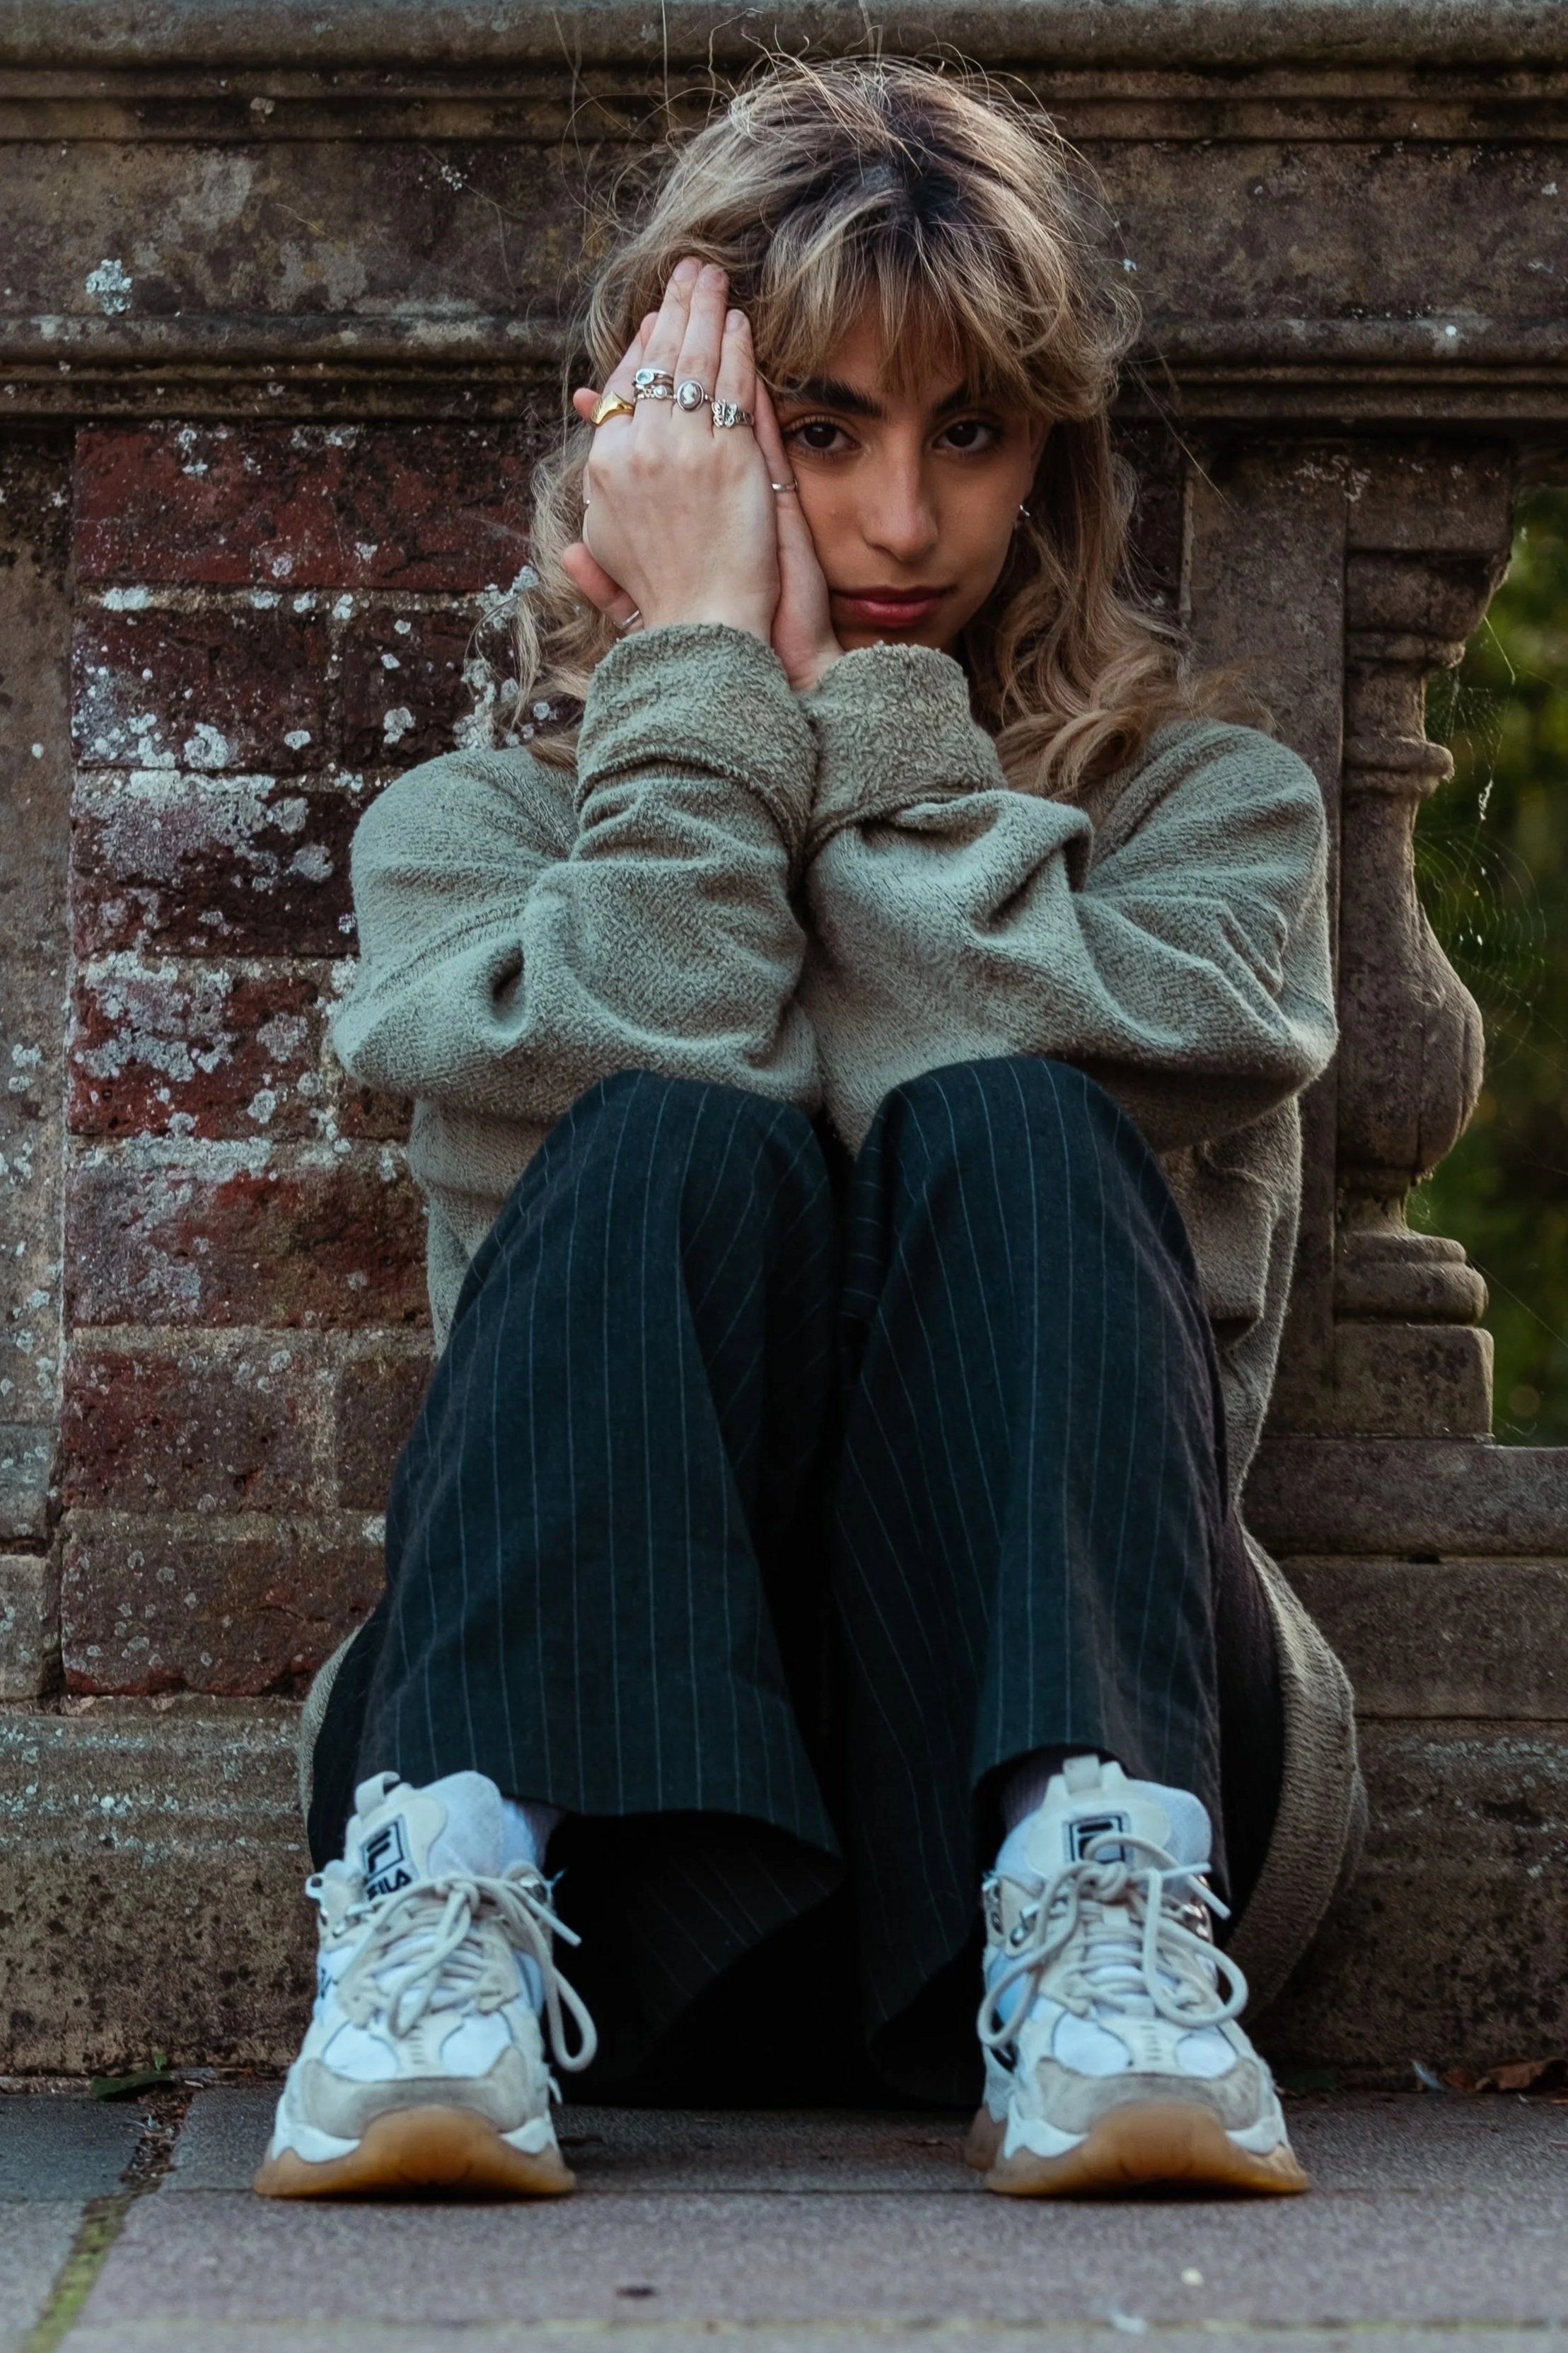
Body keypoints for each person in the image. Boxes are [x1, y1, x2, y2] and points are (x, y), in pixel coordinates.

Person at [253, 56, 1363, 2204]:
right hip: (615, 1865)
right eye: (820, 432)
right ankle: (432, 1935)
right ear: (666, 446)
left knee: (1019, 1123)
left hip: (1070, 1833)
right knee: (669, 1137)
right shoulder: (474, 843)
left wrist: (831, 720)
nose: (899, 523)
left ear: (1053, 453)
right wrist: (697, 680)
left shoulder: (1199, 820)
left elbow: (938, 1019)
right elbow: (677, 1033)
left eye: (972, 430)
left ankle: (1104, 1931)